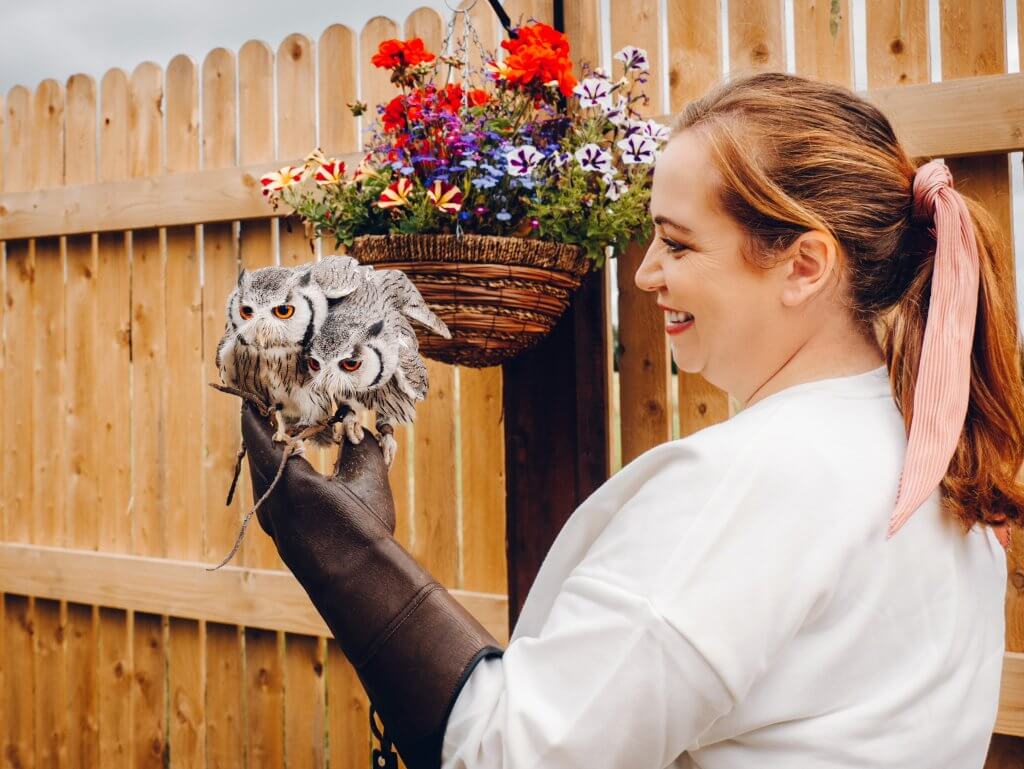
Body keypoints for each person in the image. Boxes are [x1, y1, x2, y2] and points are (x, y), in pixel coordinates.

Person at [241, 71, 1024, 769]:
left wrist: (345, 557)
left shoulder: (755, 478)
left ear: (805, 265)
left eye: (678, 244)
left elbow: (511, 751)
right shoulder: (938, 461)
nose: (647, 271)